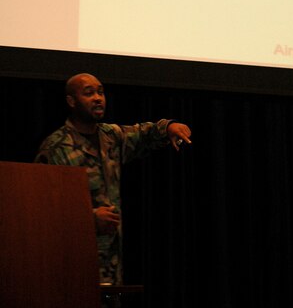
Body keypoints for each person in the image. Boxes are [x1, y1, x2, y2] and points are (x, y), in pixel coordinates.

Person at [34, 72, 192, 288]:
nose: (98, 98)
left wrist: (168, 127)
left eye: (100, 92)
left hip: (111, 264)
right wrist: (88, 218)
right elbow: (41, 209)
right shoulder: (55, 148)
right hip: (72, 263)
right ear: (71, 101)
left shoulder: (110, 136)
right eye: (89, 93)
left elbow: (142, 134)